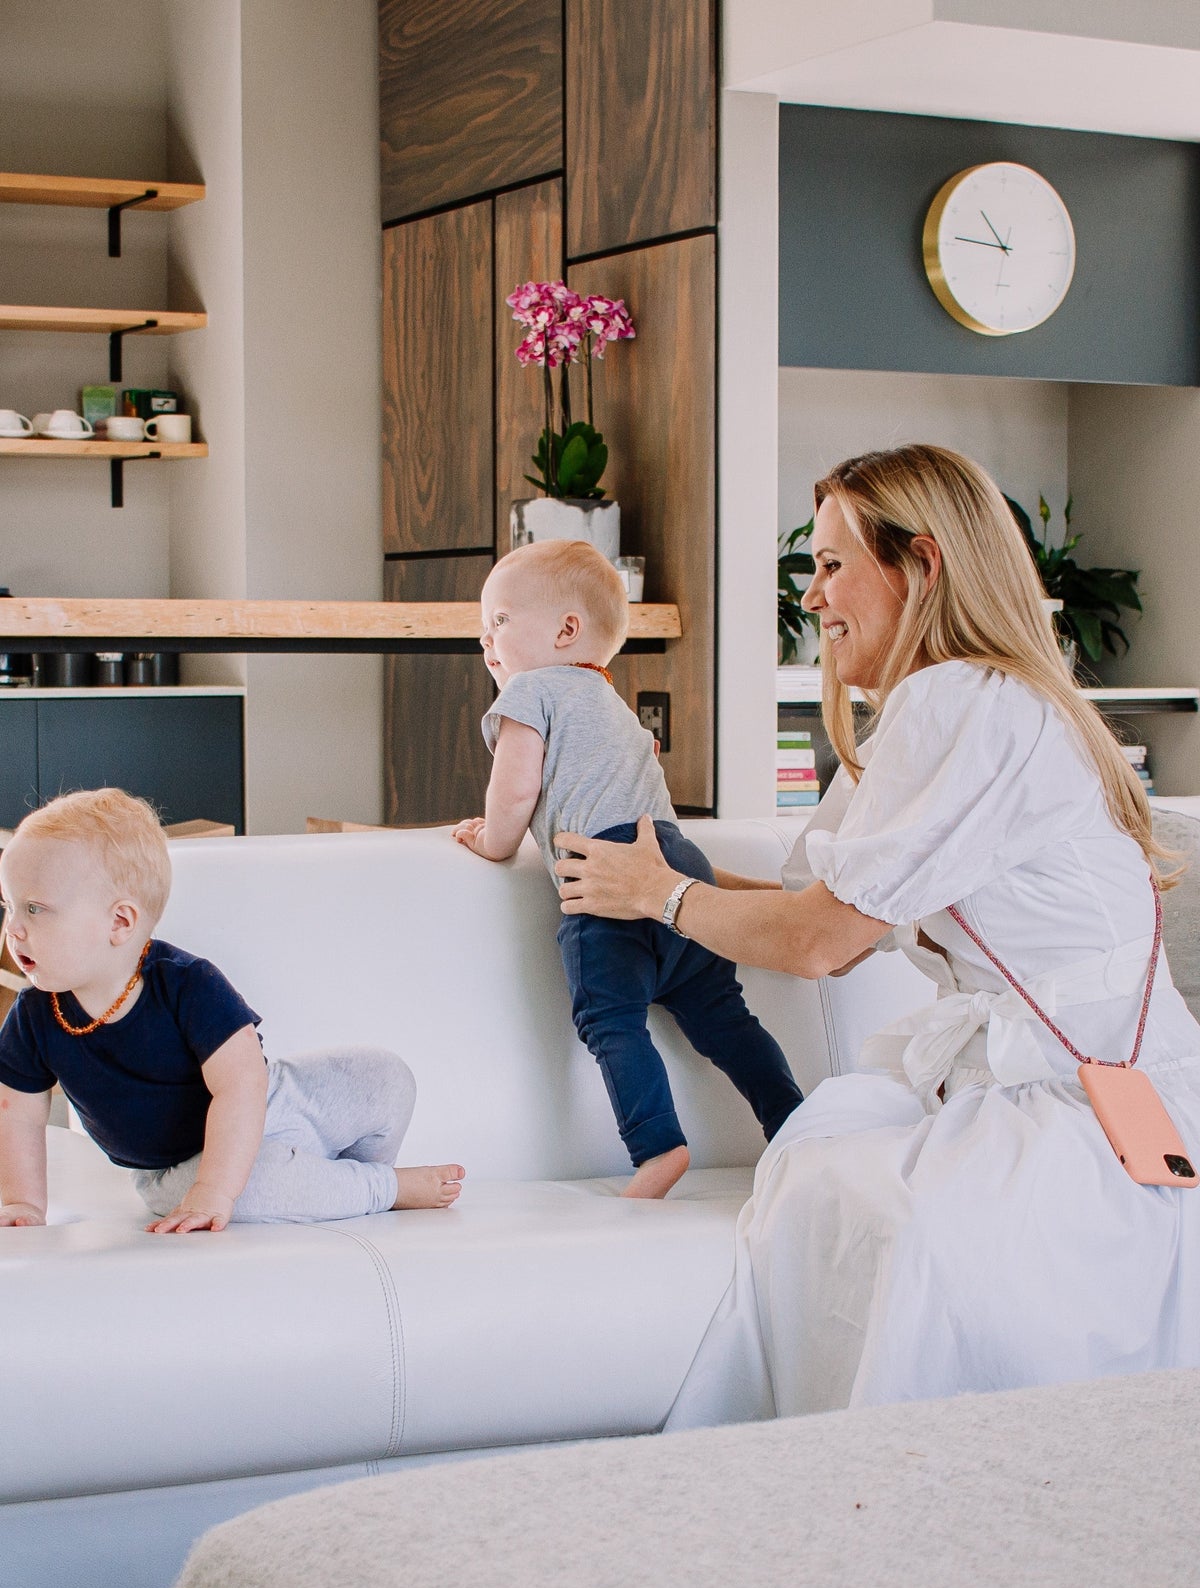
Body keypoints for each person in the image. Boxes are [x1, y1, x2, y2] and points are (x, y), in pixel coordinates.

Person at [552, 444, 1200, 1421]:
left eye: (831, 564)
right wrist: (656, 871)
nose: (812, 596)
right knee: (830, 1165)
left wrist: (661, 897)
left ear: (923, 566)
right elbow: (820, 913)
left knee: (856, 1193)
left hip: (1083, 1103)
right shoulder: (941, 708)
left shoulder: (963, 705)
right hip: (1102, 1086)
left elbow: (819, 941)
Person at [453, 538, 803, 1199]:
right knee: (724, 1017)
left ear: (565, 630)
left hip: (608, 875)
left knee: (611, 1021)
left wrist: (491, 842)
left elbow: (515, 789)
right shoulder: (610, 702)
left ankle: (659, 1147)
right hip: (675, 864)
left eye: (498, 620)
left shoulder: (531, 691)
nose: (485, 639)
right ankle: (794, 1122)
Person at [0, 789, 464, 1231]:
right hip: (179, 1168)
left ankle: (329, 1183)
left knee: (384, 1077)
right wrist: (22, 1202)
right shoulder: (34, 1018)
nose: (13, 930)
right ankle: (379, 1189)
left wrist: (215, 1192)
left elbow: (242, 1084)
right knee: (257, 1186)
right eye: (9, 907)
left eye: (35, 909)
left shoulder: (187, 983)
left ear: (120, 922)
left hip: (268, 1102)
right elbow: (17, 1114)